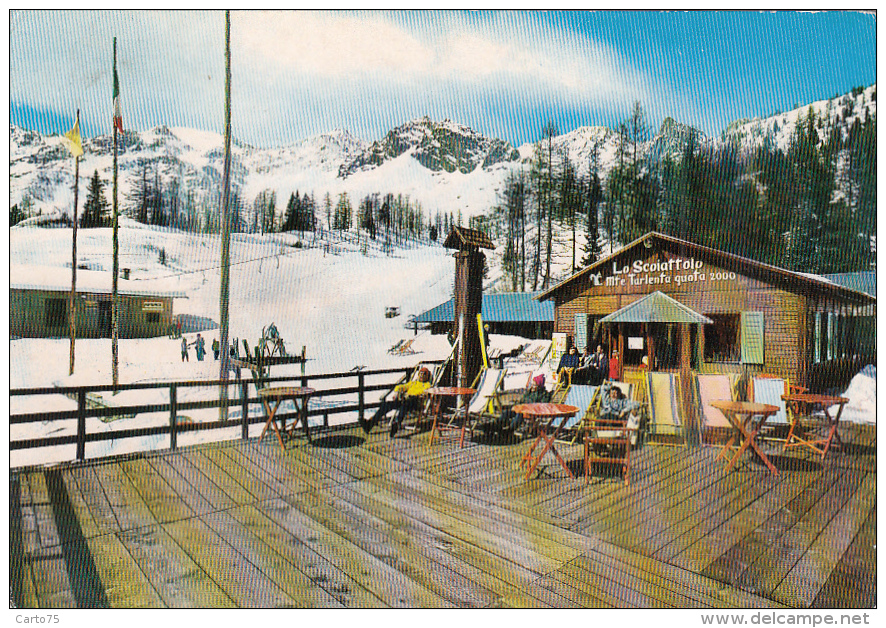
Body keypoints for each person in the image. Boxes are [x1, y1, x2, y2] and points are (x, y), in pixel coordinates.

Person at [360, 367, 432, 437]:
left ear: (427, 376)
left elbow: (423, 392)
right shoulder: (413, 383)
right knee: (387, 405)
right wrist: (397, 391)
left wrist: (410, 395)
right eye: (421, 373)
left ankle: (397, 424)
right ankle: (369, 424)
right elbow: (402, 386)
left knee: (405, 404)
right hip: (405, 400)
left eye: (424, 374)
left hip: (416, 403)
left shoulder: (427, 385)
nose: (422, 376)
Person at [480, 374, 550, 438]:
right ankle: (496, 426)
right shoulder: (530, 391)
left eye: (535, 385)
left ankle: (509, 430)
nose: (532, 386)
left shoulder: (544, 394)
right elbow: (522, 400)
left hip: (530, 411)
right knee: (507, 413)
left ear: (539, 386)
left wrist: (527, 406)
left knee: (519, 415)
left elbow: (541, 405)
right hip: (521, 408)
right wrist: (517, 405)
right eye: (532, 384)